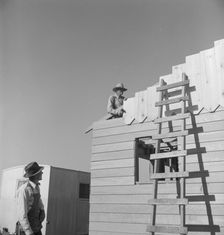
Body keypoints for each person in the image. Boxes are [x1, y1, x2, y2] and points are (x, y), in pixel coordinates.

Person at [16, 162, 45, 235]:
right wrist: (28, 231)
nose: (42, 173)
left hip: (36, 228)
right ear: (35, 175)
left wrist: (42, 210)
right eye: (40, 172)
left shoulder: (36, 187)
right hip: (28, 231)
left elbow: (38, 201)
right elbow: (22, 213)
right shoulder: (24, 190)